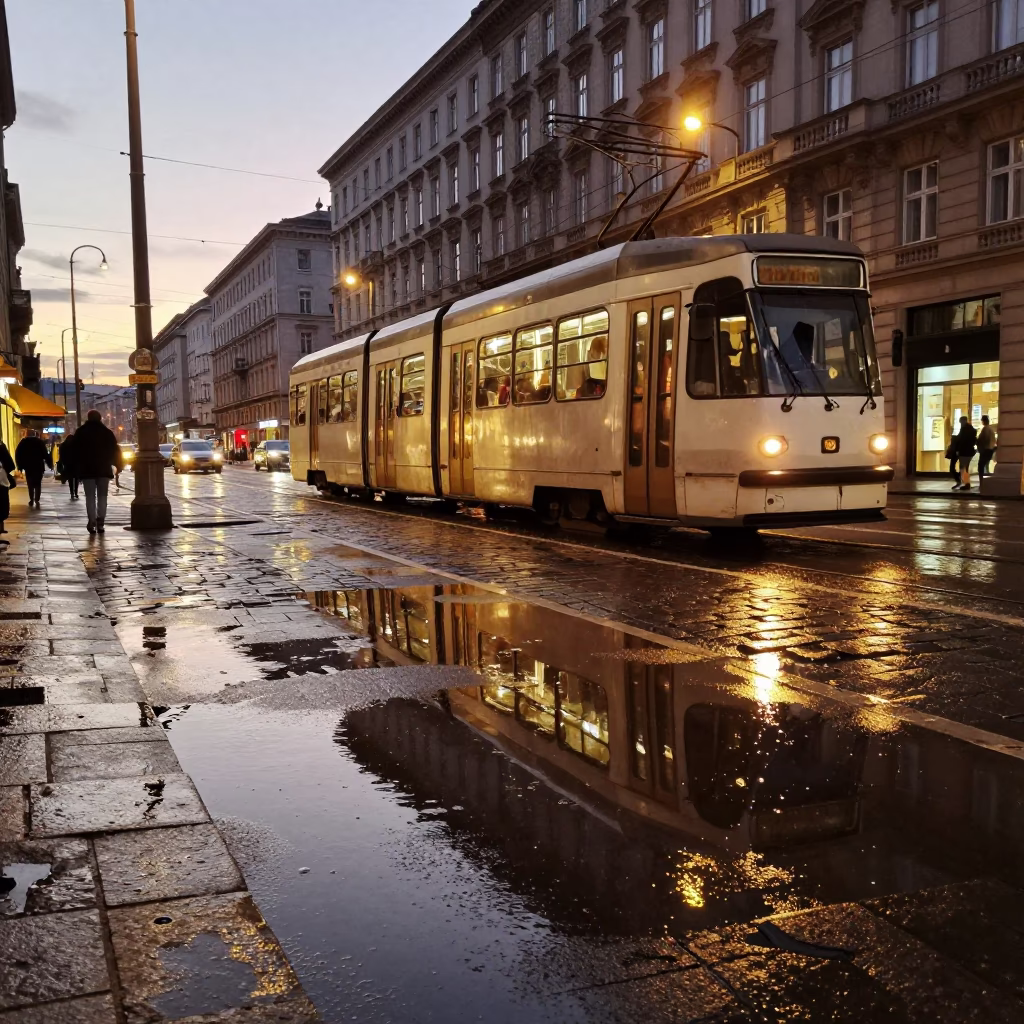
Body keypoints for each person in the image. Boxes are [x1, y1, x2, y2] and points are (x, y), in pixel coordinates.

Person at [72, 410, 122, 535]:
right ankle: (101, 522)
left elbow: (75, 452)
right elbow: (115, 450)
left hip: (87, 470)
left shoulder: (81, 432)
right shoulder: (107, 432)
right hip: (104, 469)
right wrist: (118, 465)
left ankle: (92, 521)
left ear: (88, 418)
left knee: (90, 497)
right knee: (102, 497)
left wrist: (76, 469)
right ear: (100, 419)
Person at [14, 430, 52, 509]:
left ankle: (31, 499)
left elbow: (18, 454)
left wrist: (20, 466)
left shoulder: (23, 442)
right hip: (38, 466)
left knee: (30, 483)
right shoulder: (39, 442)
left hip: (28, 466)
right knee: (38, 482)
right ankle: (37, 498)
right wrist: (50, 464)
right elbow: (45, 454)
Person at [951, 415, 978, 491]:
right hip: (970, 451)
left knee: (963, 468)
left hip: (964, 452)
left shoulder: (964, 429)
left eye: (961, 422)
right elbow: (974, 440)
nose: (961, 423)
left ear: (963, 421)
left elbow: (961, 440)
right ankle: (966, 483)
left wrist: (958, 450)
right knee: (965, 468)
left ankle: (967, 484)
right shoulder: (972, 430)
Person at [0, 440, 15, 540]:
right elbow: (10, 464)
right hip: (1, 482)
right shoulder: (1, 446)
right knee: (2, 505)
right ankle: (1, 527)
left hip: (2, 481)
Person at [57, 432, 79, 500]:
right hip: (75, 464)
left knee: (70, 479)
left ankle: (72, 492)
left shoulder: (63, 445)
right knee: (76, 479)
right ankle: (75, 492)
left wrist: (61, 462)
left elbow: (61, 455)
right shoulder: (76, 445)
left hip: (67, 464)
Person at [978, 415, 997, 482]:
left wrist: (978, 442)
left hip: (985, 450)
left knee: (981, 466)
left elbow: (984, 439)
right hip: (990, 449)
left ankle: (982, 481)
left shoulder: (985, 429)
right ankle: (984, 480)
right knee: (985, 465)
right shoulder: (991, 429)